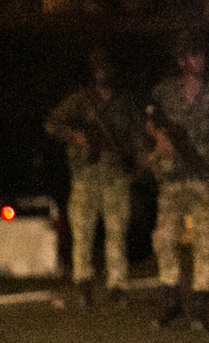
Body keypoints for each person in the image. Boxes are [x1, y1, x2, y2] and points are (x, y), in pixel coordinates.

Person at [147, 31, 209, 333]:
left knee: (206, 243)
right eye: (193, 55)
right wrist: (159, 141)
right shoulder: (164, 92)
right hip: (172, 178)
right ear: (181, 60)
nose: (200, 61)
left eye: (202, 55)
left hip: (202, 179)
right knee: (165, 240)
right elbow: (151, 122)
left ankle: (199, 305)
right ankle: (170, 299)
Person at [45, 48, 144, 308]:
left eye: (107, 68)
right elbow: (53, 124)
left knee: (116, 233)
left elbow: (136, 138)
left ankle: (118, 287)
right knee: (83, 235)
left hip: (115, 176)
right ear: (92, 72)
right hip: (85, 176)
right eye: (99, 68)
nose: (103, 73)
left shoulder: (125, 103)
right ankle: (83, 285)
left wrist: (138, 167)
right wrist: (76, 137)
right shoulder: (80, 100)